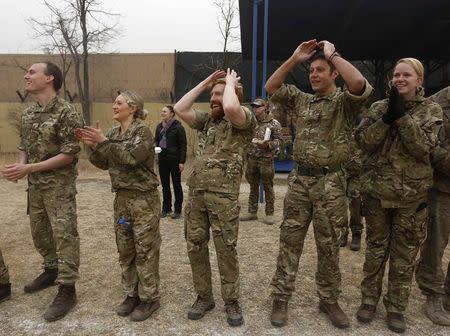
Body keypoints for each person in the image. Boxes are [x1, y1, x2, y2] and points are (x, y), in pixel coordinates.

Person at [266, 39, 373, 329]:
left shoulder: (344, 103)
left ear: (333, 73)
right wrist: (293, 58)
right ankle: (281, 297)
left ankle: (328, 299)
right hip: (300, 181)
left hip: (331, 183)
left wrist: (333, 54)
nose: (314, 74)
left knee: (328, 246)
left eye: (320, 70)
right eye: (311, 70)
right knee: (290, 241)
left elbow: (360, 84)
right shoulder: (301, 99)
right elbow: (271, 88)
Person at [355, 58, 442, 333]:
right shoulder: (379, 107)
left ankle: (396, 307)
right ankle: (369, 300)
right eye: (396, 75)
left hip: (411, 198)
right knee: (376, 250)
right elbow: (364, 141)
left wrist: (402, 117)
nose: (400, 79)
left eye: (406, 75)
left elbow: (423, 149)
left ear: (419, 81)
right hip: (378, 194)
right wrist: (387, 118)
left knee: (404, 255)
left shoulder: (432, 110)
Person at [174, 69, 256, 327]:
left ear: (233, 95)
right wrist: (207, 83)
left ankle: (231, 300)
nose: (213, 99)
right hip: (197, 198)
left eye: (218, 95)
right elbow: (179, 107)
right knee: (195, 247)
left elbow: (232, 107)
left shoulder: (243, 121)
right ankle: (204, 296)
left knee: (226, 251)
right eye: (212, 95)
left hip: (223, 202)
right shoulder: (207, 121)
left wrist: (230, 83)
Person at [2, 62, 83, 321]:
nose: (26, 76)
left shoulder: (66, 112)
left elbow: (69, 154)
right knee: (40, 231)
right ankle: (50, 270)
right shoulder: (28, 114)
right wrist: (21, 166)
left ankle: (67, 289)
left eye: (32, 72)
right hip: (35, 186)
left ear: (49, 78)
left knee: (64, 236)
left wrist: (31, 168)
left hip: (58, 187)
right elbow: (24, 144)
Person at [75, 90, 161, 322]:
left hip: (144, 199)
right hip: (122, 199)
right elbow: (103, 163)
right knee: (126, 250)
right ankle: (131, 294)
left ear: (132, 108)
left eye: (118, 103)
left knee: (145, 249)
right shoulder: (113, 133)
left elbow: (132, 158)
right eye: (114, 102)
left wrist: (104, 142)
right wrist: (91, 146)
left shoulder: (142, 131)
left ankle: (150, 297)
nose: (114, 106)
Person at [415, 86, 450, 326]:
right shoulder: (438, 102)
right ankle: (433, 293)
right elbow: (428, 145)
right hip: (443, 188)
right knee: (436, 243)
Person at [240, 98, 282, 225]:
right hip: (252, 158)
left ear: (265, 107)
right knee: (253, 186)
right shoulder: (251, 123)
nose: (255, 109)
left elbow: (279, 141)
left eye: (258, 107)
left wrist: (267, 145)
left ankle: (269, 213)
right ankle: (252, 212)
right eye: (254, 107)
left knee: (268, 186)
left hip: (266, 159)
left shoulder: (274, 123)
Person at [155, 105, 187, 219]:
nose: (162, 113)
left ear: (172, 113)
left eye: (165, 111)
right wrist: (156, 150)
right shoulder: (159, 127)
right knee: (165, 186)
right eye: (162, 111)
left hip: (175, 160)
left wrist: (182, 161)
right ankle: (166, 209)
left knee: (176, 185)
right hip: (163, 160)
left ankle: (177, 210)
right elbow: (156, 142)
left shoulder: (178, 127)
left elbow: (183, 145)